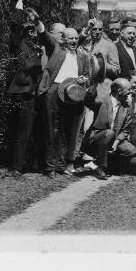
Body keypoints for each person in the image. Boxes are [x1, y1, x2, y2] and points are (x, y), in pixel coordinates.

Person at [38, 23, 103, 177]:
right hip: (55, 91)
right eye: (70, 38)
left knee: (67, 130)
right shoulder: (57, 50)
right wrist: (37, 21)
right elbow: (44, 35)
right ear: (63, 39)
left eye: (76, 38)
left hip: (73, 92)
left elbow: (88, 76)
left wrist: (83, 80)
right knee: (53, 130)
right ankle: (51, 167)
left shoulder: (82, 56)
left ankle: (62, 165)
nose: (74, 41)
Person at [6, 3, 44, 173]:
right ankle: (16, 166)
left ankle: (24, 163)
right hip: (21, 92)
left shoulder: (35, 45)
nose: (32, 26)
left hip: (32, 93)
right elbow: (15, 24)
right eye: (29, 22)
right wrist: (19, 2)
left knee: (30, 130)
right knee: (20, 131)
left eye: (34, 22)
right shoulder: (18, 42)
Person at [80, 78, 136, 179]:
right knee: (109, 133)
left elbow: (126, 129)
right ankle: (101, 167)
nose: (130, 93)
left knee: (132, 152)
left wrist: (116, 142)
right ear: (119, 91)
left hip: (115, 140)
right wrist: (94, 84)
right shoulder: (103, 101)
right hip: (96, 139)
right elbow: (88, 101)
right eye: (128, 89)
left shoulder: (126, 107)